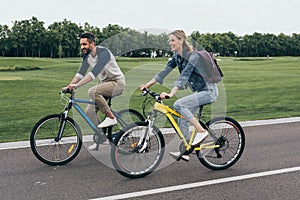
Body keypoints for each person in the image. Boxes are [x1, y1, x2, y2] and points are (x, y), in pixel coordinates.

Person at [140, 30, 218, 161]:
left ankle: (201, 131)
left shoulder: (194, 56)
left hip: (209, 92)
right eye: (169, 41)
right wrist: (147, 85)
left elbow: (185, 75)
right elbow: (164, 71)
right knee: (181, 119)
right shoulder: (176, 56)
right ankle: (187, 149)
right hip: (199, 92)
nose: (170, 43)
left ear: (181, 40)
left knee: (179, 104)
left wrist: (171, 93)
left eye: (172, 40)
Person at [63, 32, 125, 150]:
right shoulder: (87, 57)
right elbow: (80, 73)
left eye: (85, 44)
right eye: (81, 44)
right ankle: (102, 138)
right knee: (90, 111)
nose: (82, 47)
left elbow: (92, 74)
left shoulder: (104, 53)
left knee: (93, 91)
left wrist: (77, 85)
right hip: (104, 84)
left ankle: (111, 117)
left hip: (117, 83)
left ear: (92, 43)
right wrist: (69, 85)